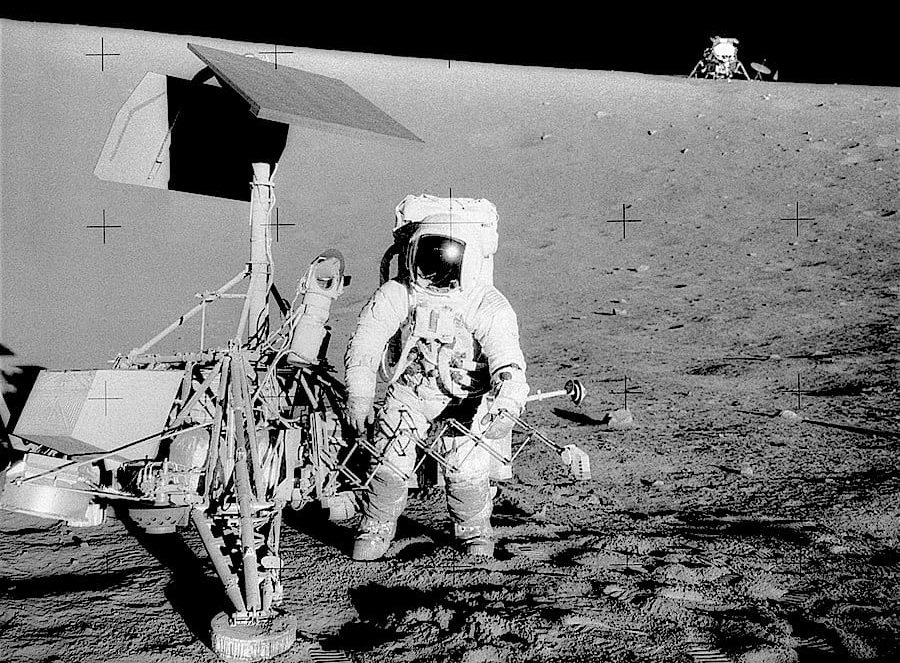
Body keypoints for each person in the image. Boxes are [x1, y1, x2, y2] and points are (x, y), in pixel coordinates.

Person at [344, 199, 528, 560]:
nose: (438, 270)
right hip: (411, 391)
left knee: (467, 466)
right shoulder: (400, 293)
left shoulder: (486, 303)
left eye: (447, 260)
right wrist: (360, 395)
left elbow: (508, 362)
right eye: (429, 258)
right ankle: (376, 526)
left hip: (466, 400)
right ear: (413, 253)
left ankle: (473, 531)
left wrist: (506, 405)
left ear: (469, 258)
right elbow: (365, 342)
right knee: (389, 456)